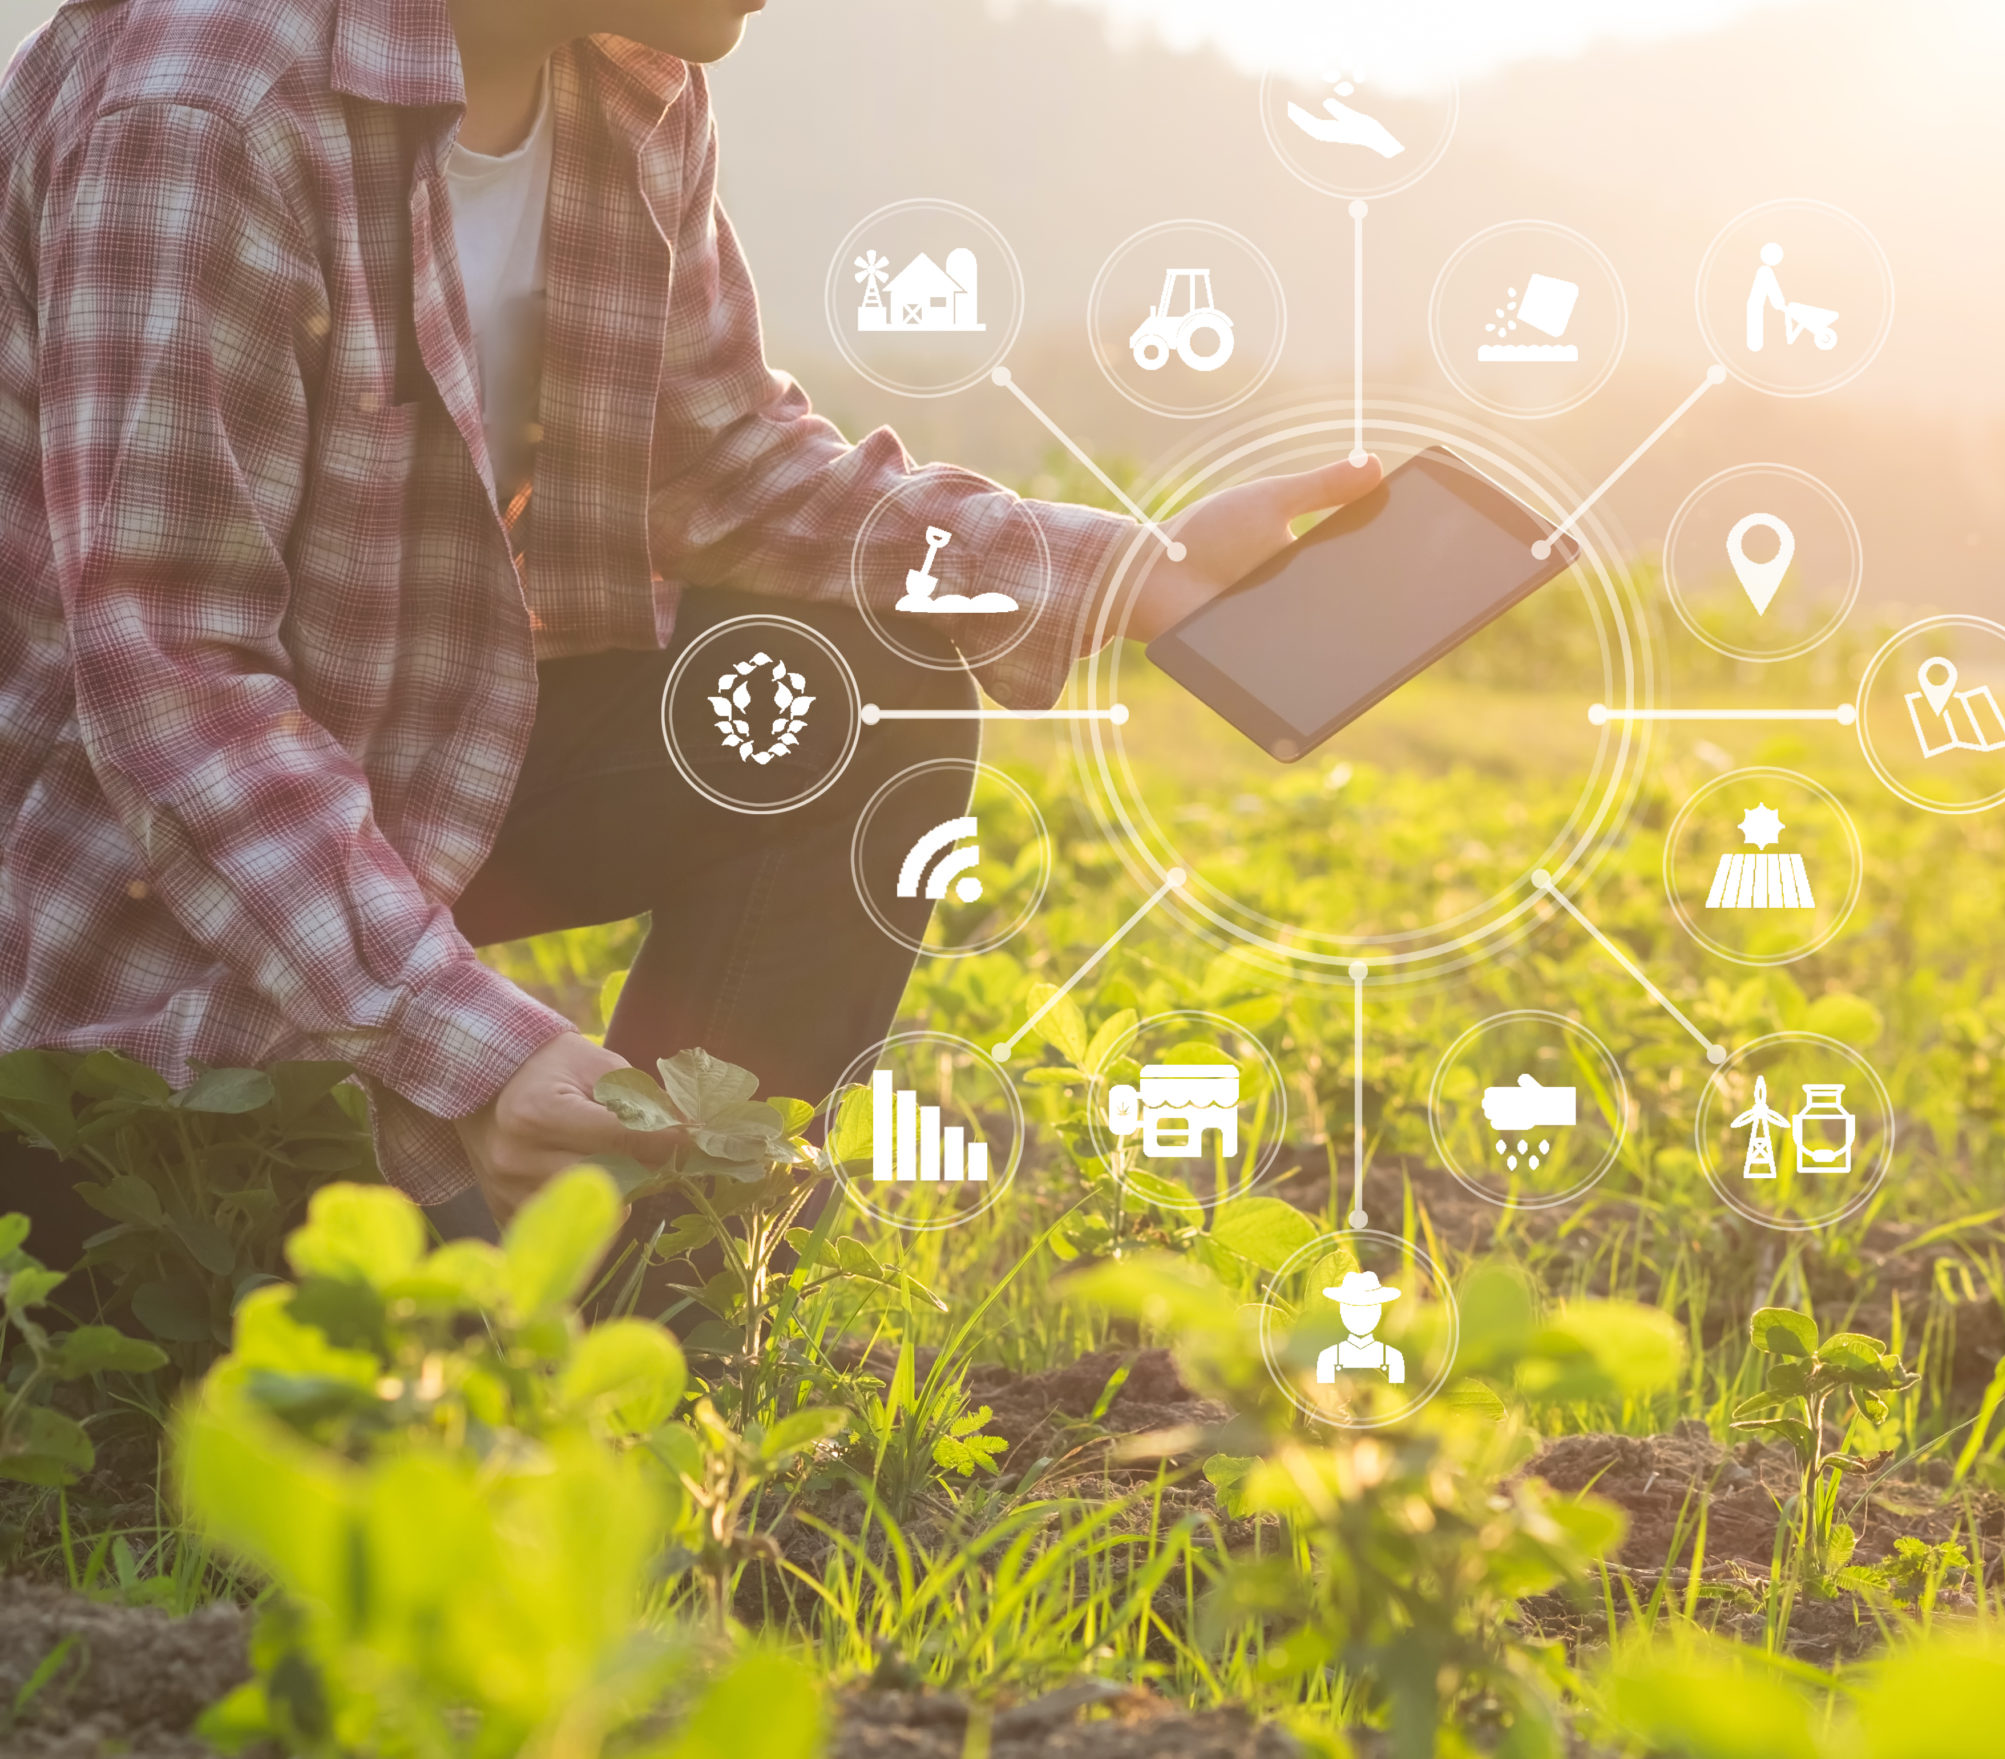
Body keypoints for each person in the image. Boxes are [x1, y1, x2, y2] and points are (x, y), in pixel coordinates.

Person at [0, 0, 1379, 1262]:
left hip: (404, 792)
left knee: (868, 689)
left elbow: (716, 457)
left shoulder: (626, 74)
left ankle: (664, 1290)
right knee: (262, 1350)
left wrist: (1144, 574)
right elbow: (172, 683)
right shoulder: (200, 108)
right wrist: (472, 1054)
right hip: (122, 916)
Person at [1314, 1269, 1404, 1385]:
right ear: (1342, 1311)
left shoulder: (1392, 1357)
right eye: (1352, 1308)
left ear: (1378, 1312)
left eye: (1368, 1308)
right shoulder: (1328, 1356)